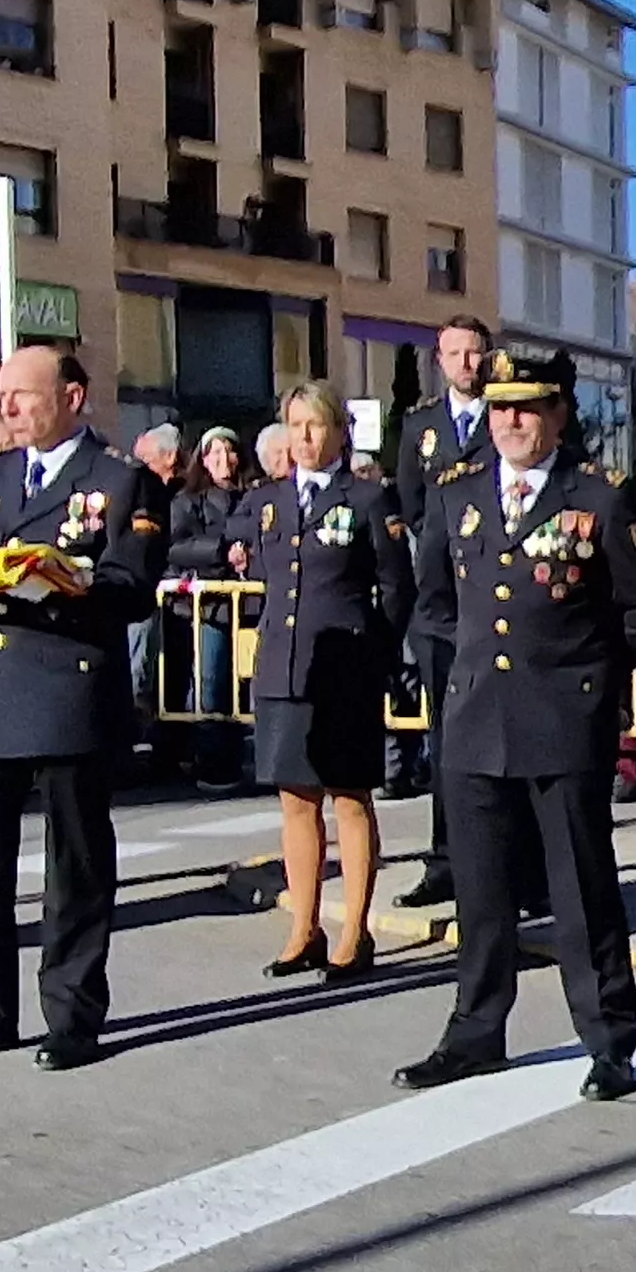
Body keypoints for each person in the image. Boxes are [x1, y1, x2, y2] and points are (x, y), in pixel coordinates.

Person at [391, 348, 636, 1100]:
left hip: (563, 720)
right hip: (477, 719)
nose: (510, 422)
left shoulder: (603, 496)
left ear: (557, 415)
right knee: (481, 894)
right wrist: (461, 677)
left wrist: (592, 680)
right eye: (499, 408)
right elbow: (433, 605)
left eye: (527, 408)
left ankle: (610, 1038)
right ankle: (476, 1032)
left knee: (580, 888)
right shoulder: (457, 495)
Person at [0, 346, 168, 1072]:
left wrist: (60, 583)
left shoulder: (121, 481)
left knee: (74, 864)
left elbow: (131, 586)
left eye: (24, 394)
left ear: (73, 397)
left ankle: (73, 1011)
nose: (10, 408)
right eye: (4, 395)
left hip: (66, 685)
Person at [235, 383, 411, 976]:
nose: (304, 438)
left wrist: (376, 659)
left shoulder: (365, 499)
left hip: (344, 672)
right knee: (295, 800)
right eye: (295, 425)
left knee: (349, 799)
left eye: (315, 426)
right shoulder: (271, 501)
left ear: (339, 432)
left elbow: (395, 587)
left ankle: (353, 932)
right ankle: (302, 928)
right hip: (285, 666)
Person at [390, 317, 499, 859]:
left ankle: (505, 863)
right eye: (455, 354)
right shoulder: (421, 425)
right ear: (440, 361)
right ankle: (444, 857)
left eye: (474, 353)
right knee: (444, 734)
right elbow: (411, 502)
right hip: (437, 602)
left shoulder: (506, 419)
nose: (466, 364)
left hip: (491, 596)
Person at [158, 427, 254, 784]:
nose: (222, 459)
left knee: (245, 684)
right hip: (208, 608)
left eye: (228, 451)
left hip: (249, 606)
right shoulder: (187, 500)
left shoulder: (252, 496)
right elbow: (176, 546)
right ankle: (212, 762)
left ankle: (239, 759)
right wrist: (221, 552)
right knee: (211, 682)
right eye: (213, 452)